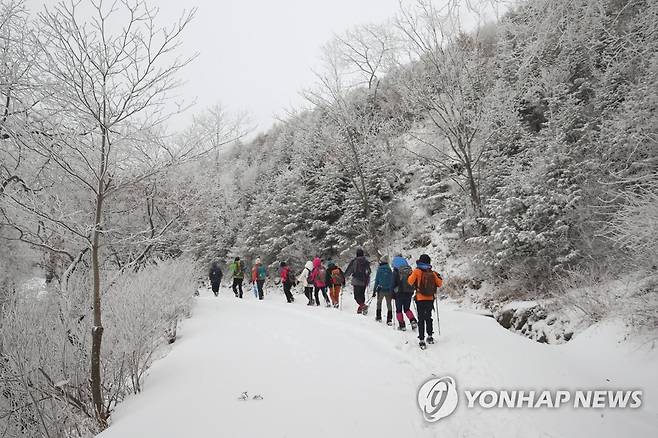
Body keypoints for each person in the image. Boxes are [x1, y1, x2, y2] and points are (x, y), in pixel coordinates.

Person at [407, 254, 443, 349]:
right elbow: (439, 284)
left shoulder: (417, 271)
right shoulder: (432, 272)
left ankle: (422, 340)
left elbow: (410, 281)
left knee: (421, 318)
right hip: (430, 299)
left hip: (420, 299)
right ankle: (430, 336)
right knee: (428, 317)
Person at [392, 254, 418, 331]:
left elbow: (392, 284)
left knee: (399, 310)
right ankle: (413, 320)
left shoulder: (395, 271)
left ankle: (402, 325)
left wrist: (392, 294)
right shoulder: (409, 270)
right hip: (409, 292)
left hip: (399, 293)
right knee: (407, 309)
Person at [344, 248, 371, 314]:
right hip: (364, 281)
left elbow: (349, 270)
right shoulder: (366, 261)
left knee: (356, 297)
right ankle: (361, 309)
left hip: (356, 281)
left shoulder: (354, 261)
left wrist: (344, 276)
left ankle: (363, 306)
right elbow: (369, 271)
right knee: (362, 295)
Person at [373, 255, 394, 325]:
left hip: (381, 289)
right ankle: (389, 319)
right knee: (389, 304)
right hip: (388, 290)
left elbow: (376, 280)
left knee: (379, 303)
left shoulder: (379, 269)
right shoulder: (389, 269)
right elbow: (392, 280)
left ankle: (378, 317)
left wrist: (374, 290)